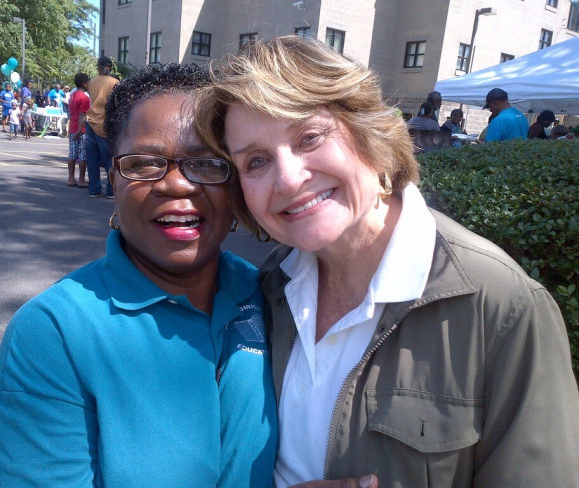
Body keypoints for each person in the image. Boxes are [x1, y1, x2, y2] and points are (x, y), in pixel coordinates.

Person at [196, 35, 579, 488]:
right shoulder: (268, 286)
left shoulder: (502, 308)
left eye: (310, 136)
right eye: (256, 161)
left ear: (369, 133)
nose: (288, 178)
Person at [0, 62, 277, 488]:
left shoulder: (271, 294)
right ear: (113, 178)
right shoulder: (54, 334)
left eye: (206, 163)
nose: (177, 185)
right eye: (145, 163)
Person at [86, 55, 119, 198]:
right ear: (109, 67)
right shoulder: (115, 82)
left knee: (92, 158)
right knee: (107, 158)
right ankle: (111, 190)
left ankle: (94, 189)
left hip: (91, 120)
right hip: (105, 122)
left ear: (99, 68)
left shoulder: (91, 82)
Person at [67, 73, 90, 187]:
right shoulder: (84, 98)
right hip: (81, 130)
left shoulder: (72, 96)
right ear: (84, 84)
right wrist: (80, 129)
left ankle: (71, 178)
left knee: (72, 154)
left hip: (72, 126)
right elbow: (82, 114)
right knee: (82, 155)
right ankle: (81, 180)